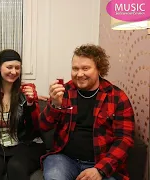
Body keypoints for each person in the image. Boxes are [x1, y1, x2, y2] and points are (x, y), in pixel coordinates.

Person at [40, 44, 135, 180]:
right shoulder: (64, 91)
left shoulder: (117, 97)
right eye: (75, 69)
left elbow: (124, 140)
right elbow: (43, 127)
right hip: (64, 159)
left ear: (99, 69)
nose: (79, 74)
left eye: (85, 68)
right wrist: (54, 105)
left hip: (101, 162)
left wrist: (100, 169)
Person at [0, 49, 46, 180]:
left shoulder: (27, 91)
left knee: (16, 166)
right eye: (9, 67)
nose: (13, 72)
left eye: (17, 68)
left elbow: (36, 127)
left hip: (23, 144)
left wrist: (30, 105)